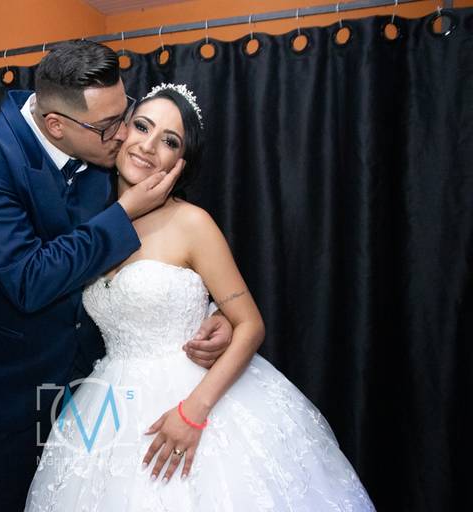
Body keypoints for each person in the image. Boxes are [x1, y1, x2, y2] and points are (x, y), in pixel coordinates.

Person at [25, 84, 376, 511]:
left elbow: (250, 323)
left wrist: (193, 412)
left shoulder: (192, 223)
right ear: (120, 130)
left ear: (181, 163)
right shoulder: (94, 223)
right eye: (142, 127)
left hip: (196, 395)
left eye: (169, 141)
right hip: (110, 401)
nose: (148, 146)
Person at [0, 41, 234, 511]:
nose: (125, 136)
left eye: (126, 114)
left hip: (105, 387)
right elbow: (29, 280)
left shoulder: (107, 143)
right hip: (21, 391)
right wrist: (123, 212)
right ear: (56, 126)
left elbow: (168, 251)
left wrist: (213, 309)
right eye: (109, 127)